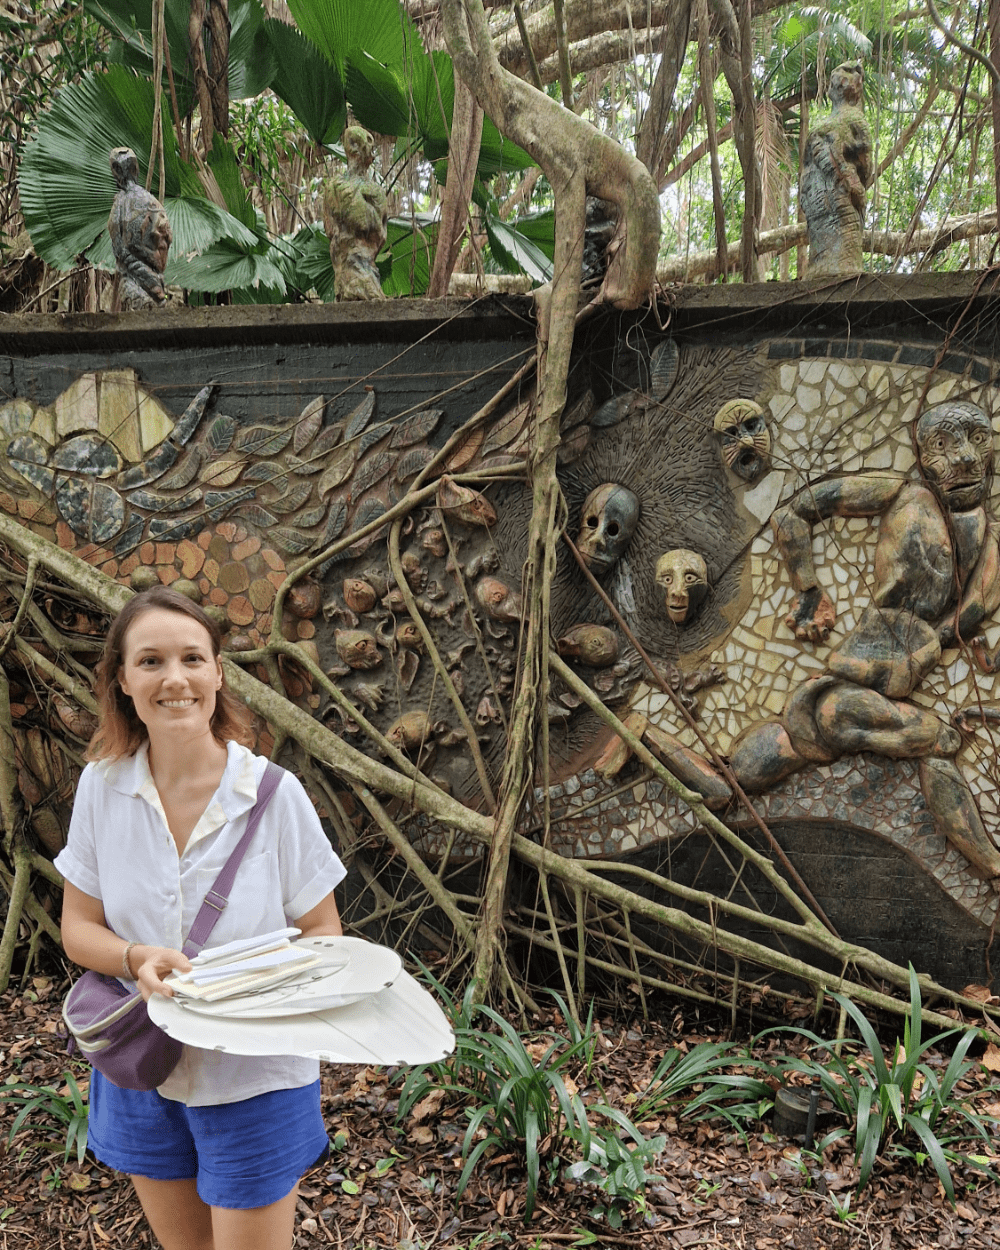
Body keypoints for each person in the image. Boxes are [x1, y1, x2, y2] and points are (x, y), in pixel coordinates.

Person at [56, 585, 347, 1250]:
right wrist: (137, 959)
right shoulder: (101, 787)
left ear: (218, 672)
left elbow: (324, 935)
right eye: (151, 661)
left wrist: (252, 993)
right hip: (142, 1064)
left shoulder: (274, 797)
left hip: (255, 1076)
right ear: (124, 679)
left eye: (192, 658)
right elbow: (79, 929)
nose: (174, 678)